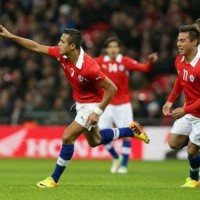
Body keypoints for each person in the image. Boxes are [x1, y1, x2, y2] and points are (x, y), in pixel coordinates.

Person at [0, 25, 150, 188]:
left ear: (72, 46)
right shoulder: (61, 54)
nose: (59, 44)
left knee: (67, 137)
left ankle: (53, 179)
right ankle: (131, 130)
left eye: (62, 41)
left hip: (92, 105)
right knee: (95, 140)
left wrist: (98, 111)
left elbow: (112, 88)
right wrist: (11, 36)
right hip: (81, 104)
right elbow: (36, 47)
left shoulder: (89, 68)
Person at [95, 37, 158, 174]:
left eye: (115, 47)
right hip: (106, 104)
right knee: (100, 136)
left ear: (119, 49)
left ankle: (124, 164)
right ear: (106, 49)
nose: (113, 49)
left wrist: (150, 61)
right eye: (110, 47)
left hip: (123, 104)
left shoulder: (125, 61)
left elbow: (144, 68)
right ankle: (116, 157)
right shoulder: (99, 62)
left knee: (128, 133)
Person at [162, 24, 200, 188]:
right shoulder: (179, 60)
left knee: (191, 150)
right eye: (178, 40)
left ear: (194, 43)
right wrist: (170, 100)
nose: (179, 44)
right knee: (174, 143)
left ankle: (193, 179)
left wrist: (185, 109)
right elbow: (180, 80)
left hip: (196, 113)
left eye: (183, 40)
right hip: (191, 111)